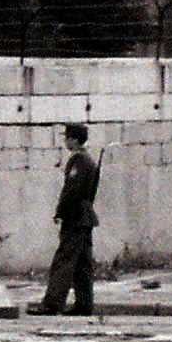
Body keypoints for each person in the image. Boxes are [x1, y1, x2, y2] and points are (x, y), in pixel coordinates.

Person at [33, 122, 99, 316]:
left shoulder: (78, 160)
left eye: (68, 137)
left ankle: (52, 303)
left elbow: (71, 190)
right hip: (85, 217)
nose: (65, 141)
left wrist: (60, 212)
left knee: (64, 261)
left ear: (75, 139)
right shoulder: (89, 160)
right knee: (82, 263)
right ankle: (84, 304)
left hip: (75, 217)